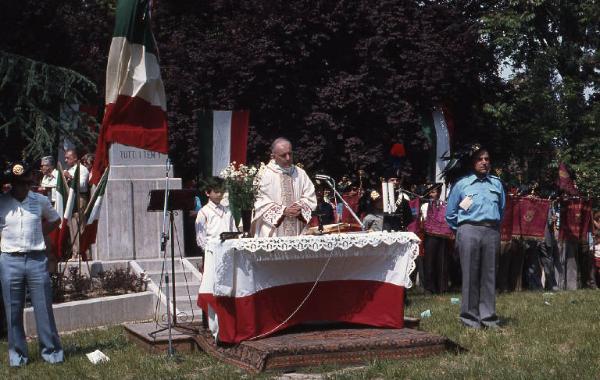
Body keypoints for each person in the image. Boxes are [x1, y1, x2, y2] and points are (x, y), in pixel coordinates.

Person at [0, 162, 64, 366]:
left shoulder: (40, 201)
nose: (23, 188)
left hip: (36, 259)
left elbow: (55, 220)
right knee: (13, 310)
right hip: (10, 260)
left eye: (26, 183)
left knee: (43, 307)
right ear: (11, 185)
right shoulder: (1, 202)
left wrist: (40, 233)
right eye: (18, 184)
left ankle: (52, 352)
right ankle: (18, 356)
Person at [446, 147, 505, 328]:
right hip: (468, 230)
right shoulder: (462, 184)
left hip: (491, 231)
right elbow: (450, 213)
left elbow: (501, 209)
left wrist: (492, 226)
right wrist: (463, 230)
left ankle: (488, 318)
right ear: (473, 163)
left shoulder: (497, 184)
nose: (484, 162)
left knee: (489, 275)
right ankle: (470, 319)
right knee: (470, 275)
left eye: (487, 159)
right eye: (480, 159)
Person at [252, 138, 317, 237]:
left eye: (290, 154)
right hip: (274, 230)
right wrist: (282, 211)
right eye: (283, 155)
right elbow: (260, 201)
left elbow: (310, 195)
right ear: (273, 156)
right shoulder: (264, 174)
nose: (288, 158)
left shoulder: (300, 173)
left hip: (298, 228)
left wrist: (300, 206)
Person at [195, 177, 237, 250]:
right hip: (212, 250)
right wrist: (207, 251)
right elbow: (200, 236)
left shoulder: (227, 211)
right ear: (207, 193)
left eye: (222, 191)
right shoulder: (204, 212)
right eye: (216, 191)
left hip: (228, 249)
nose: (219, 194)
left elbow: (234, 230)